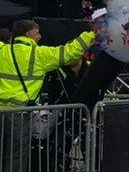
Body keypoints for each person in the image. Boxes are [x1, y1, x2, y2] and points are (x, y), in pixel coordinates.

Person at [0, 20, 95, 170]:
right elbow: (70, 52)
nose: (40, 35)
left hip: (2, 111)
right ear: (28, 34)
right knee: (16, 157)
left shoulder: (2, 50)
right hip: (19, 115)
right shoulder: (39, 54)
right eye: (36, 32)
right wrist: (92, 34)